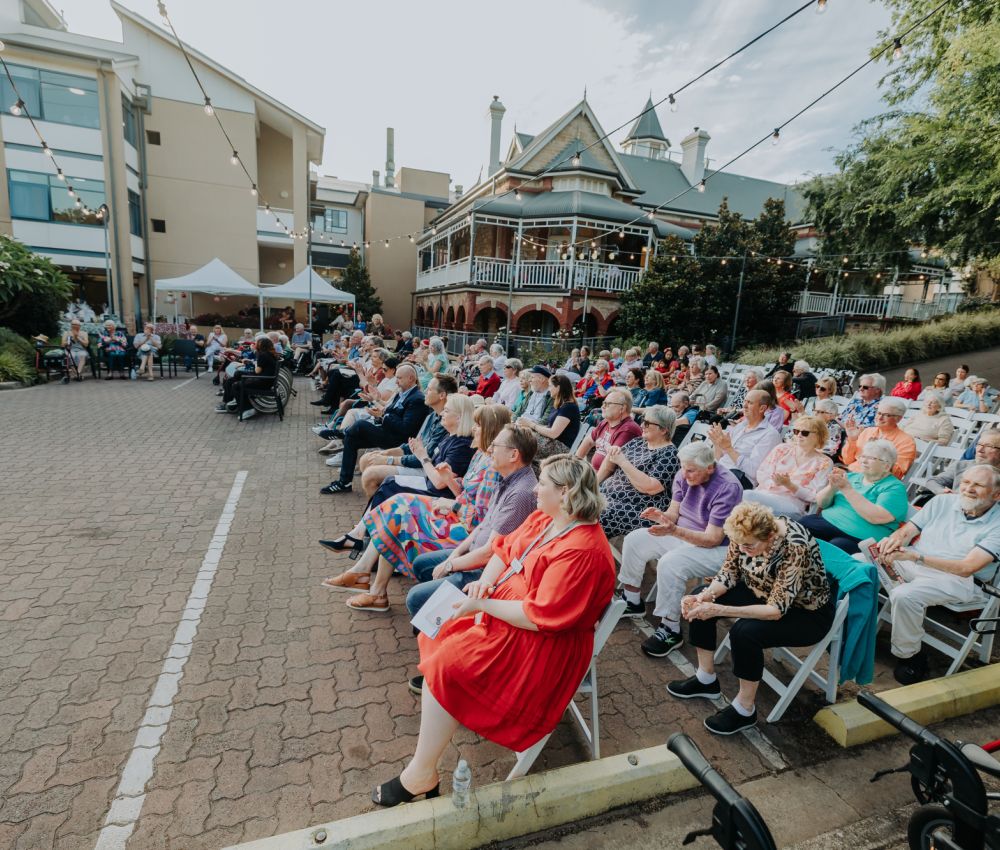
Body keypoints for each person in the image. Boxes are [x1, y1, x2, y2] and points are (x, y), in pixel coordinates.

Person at [372, 455, 615, 807]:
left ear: (565, 494)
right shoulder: (547, 518)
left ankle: (420, 774)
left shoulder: (582, 551)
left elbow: (539, 616)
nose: (534, 488)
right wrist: (484, 585)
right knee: (438, 634)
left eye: (542, 483)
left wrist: (483, 605)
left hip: (542, 643)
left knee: (448, 665)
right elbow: (503, 550)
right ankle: (432, 740)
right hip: (512, 617)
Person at [669, 502, 835, 735]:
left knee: (745, 632)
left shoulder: (795, 546)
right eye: (739, 544)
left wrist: (719, 610)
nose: (742, 549)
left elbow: (776, 609)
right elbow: (729, 572)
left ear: (769, 535)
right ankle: (706, 679)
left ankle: (745, 709)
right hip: (761, 589)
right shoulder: (743, 534)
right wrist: (708, 596)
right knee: (700, 598)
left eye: (748, 546)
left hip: (806, 612)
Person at [323, 405, 507, 609]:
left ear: (490, 429)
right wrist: (452, 481)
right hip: (455, 514)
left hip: (463, 529)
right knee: (397, 506)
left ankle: (371, 585)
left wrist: (453, 505)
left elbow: (479, 519)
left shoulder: (491, 467)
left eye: (478, 425)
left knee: (400, 512)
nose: (473, 428)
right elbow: (464, 493)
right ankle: (368, 580)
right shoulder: (479, 454)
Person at [403, 423, 539, 632]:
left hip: (485, 572)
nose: (490, 449)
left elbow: (490, 554)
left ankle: (439, 628)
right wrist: (454, 556)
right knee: (421, 564)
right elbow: (482, 525)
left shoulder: (521, 493)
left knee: (415, 598)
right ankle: (433, 619)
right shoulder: (508, 479)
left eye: (496, 445)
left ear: (513, 455)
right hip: (474, 552)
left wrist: (451, 566)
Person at [873, 464, 1000, 684]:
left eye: (978, 485)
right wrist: (893, 541)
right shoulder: (943, 501)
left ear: (996, 494)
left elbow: (967, 568)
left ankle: (910, 656)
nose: (968, 488)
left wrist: (914, 558)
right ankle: (857, 628)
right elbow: (908, 530)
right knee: (860, 563)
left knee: (905, 596)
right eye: (966, 482)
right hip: (915, 559)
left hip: (959, 579)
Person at [617, 441, 743, 647]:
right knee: (634, 540)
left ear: (710, 468)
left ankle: (670, 629)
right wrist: (662, 517)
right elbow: (674, 514)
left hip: (717, 548)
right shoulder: (684, 472)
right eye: (683, 468)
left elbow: (713, 539)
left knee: (671, 563)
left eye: (691, 470)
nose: (684, 474)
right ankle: (632, 599)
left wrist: (673, 530)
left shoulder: (727, 486)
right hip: (683, 534)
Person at [320, 364, 428, 494]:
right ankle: (344, 482)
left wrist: (383, 415)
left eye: (399, 378)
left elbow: (406, 429)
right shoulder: (402, 393)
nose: (397, 382)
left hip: (398, 440)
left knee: (361, 424)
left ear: (411, 378)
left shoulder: (417, 399)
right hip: (387, 432)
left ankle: (341, 432)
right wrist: (379, 410)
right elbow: (389, 412)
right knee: (351, 439)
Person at [799, 439, 907, 553]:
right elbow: (822, 503)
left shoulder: (894, 487)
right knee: (801, 526)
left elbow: (877, 517)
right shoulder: (852, 477)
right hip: (826, 523)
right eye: (863, 456)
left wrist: (847, 489)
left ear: (886, 466)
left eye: (871, 458)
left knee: (834, 548)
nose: (864, 461)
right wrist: (832, 488)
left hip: (859, 538)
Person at [357, 375, 457, 498]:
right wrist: (386, 454)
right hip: (418, 460)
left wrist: (388, 460)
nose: (425, 391)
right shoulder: (431, 416)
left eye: (429, 389)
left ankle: (382, 512)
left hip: (427, 469)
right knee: (366, 459)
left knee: (370, 475)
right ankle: (378, 506)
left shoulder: (445, 423)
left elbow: (425, 458)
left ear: (442, 395)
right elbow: (414, 446)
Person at [597, 406, 680, 538]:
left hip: (640, 509)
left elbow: (650, 487)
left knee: (596, 510)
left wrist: (623, 462)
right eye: (643, 420)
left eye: (647, 423)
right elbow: (611, 463)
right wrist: (593, 483)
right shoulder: (638, 442)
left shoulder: (670, 455)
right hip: (609, 496)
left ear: (663, 430)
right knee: (579, 496)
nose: (642, 425)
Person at [744, 415, 833, 516]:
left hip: (791, 504)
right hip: (763, 494)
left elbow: (815, 496)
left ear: (818, 436)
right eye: (796, 431)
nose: (799, 435)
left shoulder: (824, 462)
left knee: (746, 495)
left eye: (805, 433)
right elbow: (762, 473)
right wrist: (775, 483)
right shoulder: (782, 449)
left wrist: (790, 485)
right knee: (743, 499)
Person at [706, 390, 782, 488]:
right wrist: (717, 444)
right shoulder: (741, 426)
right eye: (745, 401)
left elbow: (754, 472)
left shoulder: (770, 435)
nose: (744, 406)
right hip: (720, 470)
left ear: (762, 408)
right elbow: (720, 458)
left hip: (739, 480)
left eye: (750, 403)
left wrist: (729, 448)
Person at [841, 397, 917, 480]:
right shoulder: (867, 431)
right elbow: (847, 461)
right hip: (851, 473)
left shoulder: (906, 441)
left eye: (886, 415)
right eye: (879, 413)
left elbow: (898, 473)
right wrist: (852, 439)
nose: (880, 418)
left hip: (874, 481)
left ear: (898, 419)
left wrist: (879, 455)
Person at [915, 426, 1000, 500]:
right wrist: (942, 492)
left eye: (989, 446)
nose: (980, 450)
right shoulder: (962, 465)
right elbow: (933, 481)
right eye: (979, 444)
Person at [576, 389, 642, 471]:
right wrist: (575, 465)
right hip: (594, 472)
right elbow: (589, 441)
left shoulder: (628, 429)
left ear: (622, 408)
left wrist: (591, 483)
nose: (602, 406)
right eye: (604, 403)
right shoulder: (606, 422)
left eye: (608, 404)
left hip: (607, 480)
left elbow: (609, 468)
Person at [519, 373, 581, 461]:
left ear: (558, 387)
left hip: (561, 447)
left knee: (522, 440)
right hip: (551, 442)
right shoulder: (559, 405)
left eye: (550, 386)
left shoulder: (568, 407)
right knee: (521, 433)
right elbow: (549, 428)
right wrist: (528, 427)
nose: (549, 389)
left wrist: (532, 425)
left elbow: (553, 433)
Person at [230, 336, 278, 421]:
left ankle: (247, 409)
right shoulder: (270, 354)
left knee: (236, 385)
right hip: (268, 381)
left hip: (263, 382)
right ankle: (238, 400)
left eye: (257, 343)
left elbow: (257, 371)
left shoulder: (263, 355)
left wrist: (255, 363)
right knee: (239, 377)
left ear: (261, 346)